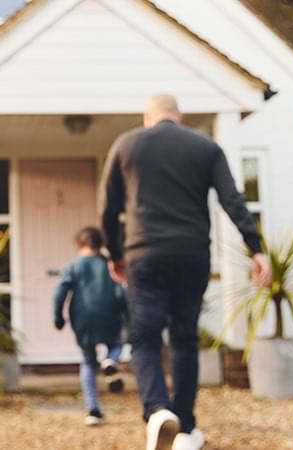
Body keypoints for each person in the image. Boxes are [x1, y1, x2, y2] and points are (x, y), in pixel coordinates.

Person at [100, 94, 271, 450]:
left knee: (144, 338)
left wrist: (115, 254)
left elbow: (108, 207)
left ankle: (158, 410)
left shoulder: (126, 145)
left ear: (148, 118)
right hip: (192, 255)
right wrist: (257, 249)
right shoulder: (205, 147)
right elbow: (232, 200)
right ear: (179, 116)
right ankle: (186, 430)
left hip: (144, 254)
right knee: (184, 339)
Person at [53, 226, 127, 426]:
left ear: (79, 244)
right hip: (110, 314)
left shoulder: (73, 266)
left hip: (82, 318)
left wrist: (58, 317)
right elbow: (121, 290)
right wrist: (127, 314)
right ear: (100, 243)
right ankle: (110, 360)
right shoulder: (109, 264)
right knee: (117, 343)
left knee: (87, 361)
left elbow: (60, 292)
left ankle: (93, 410)